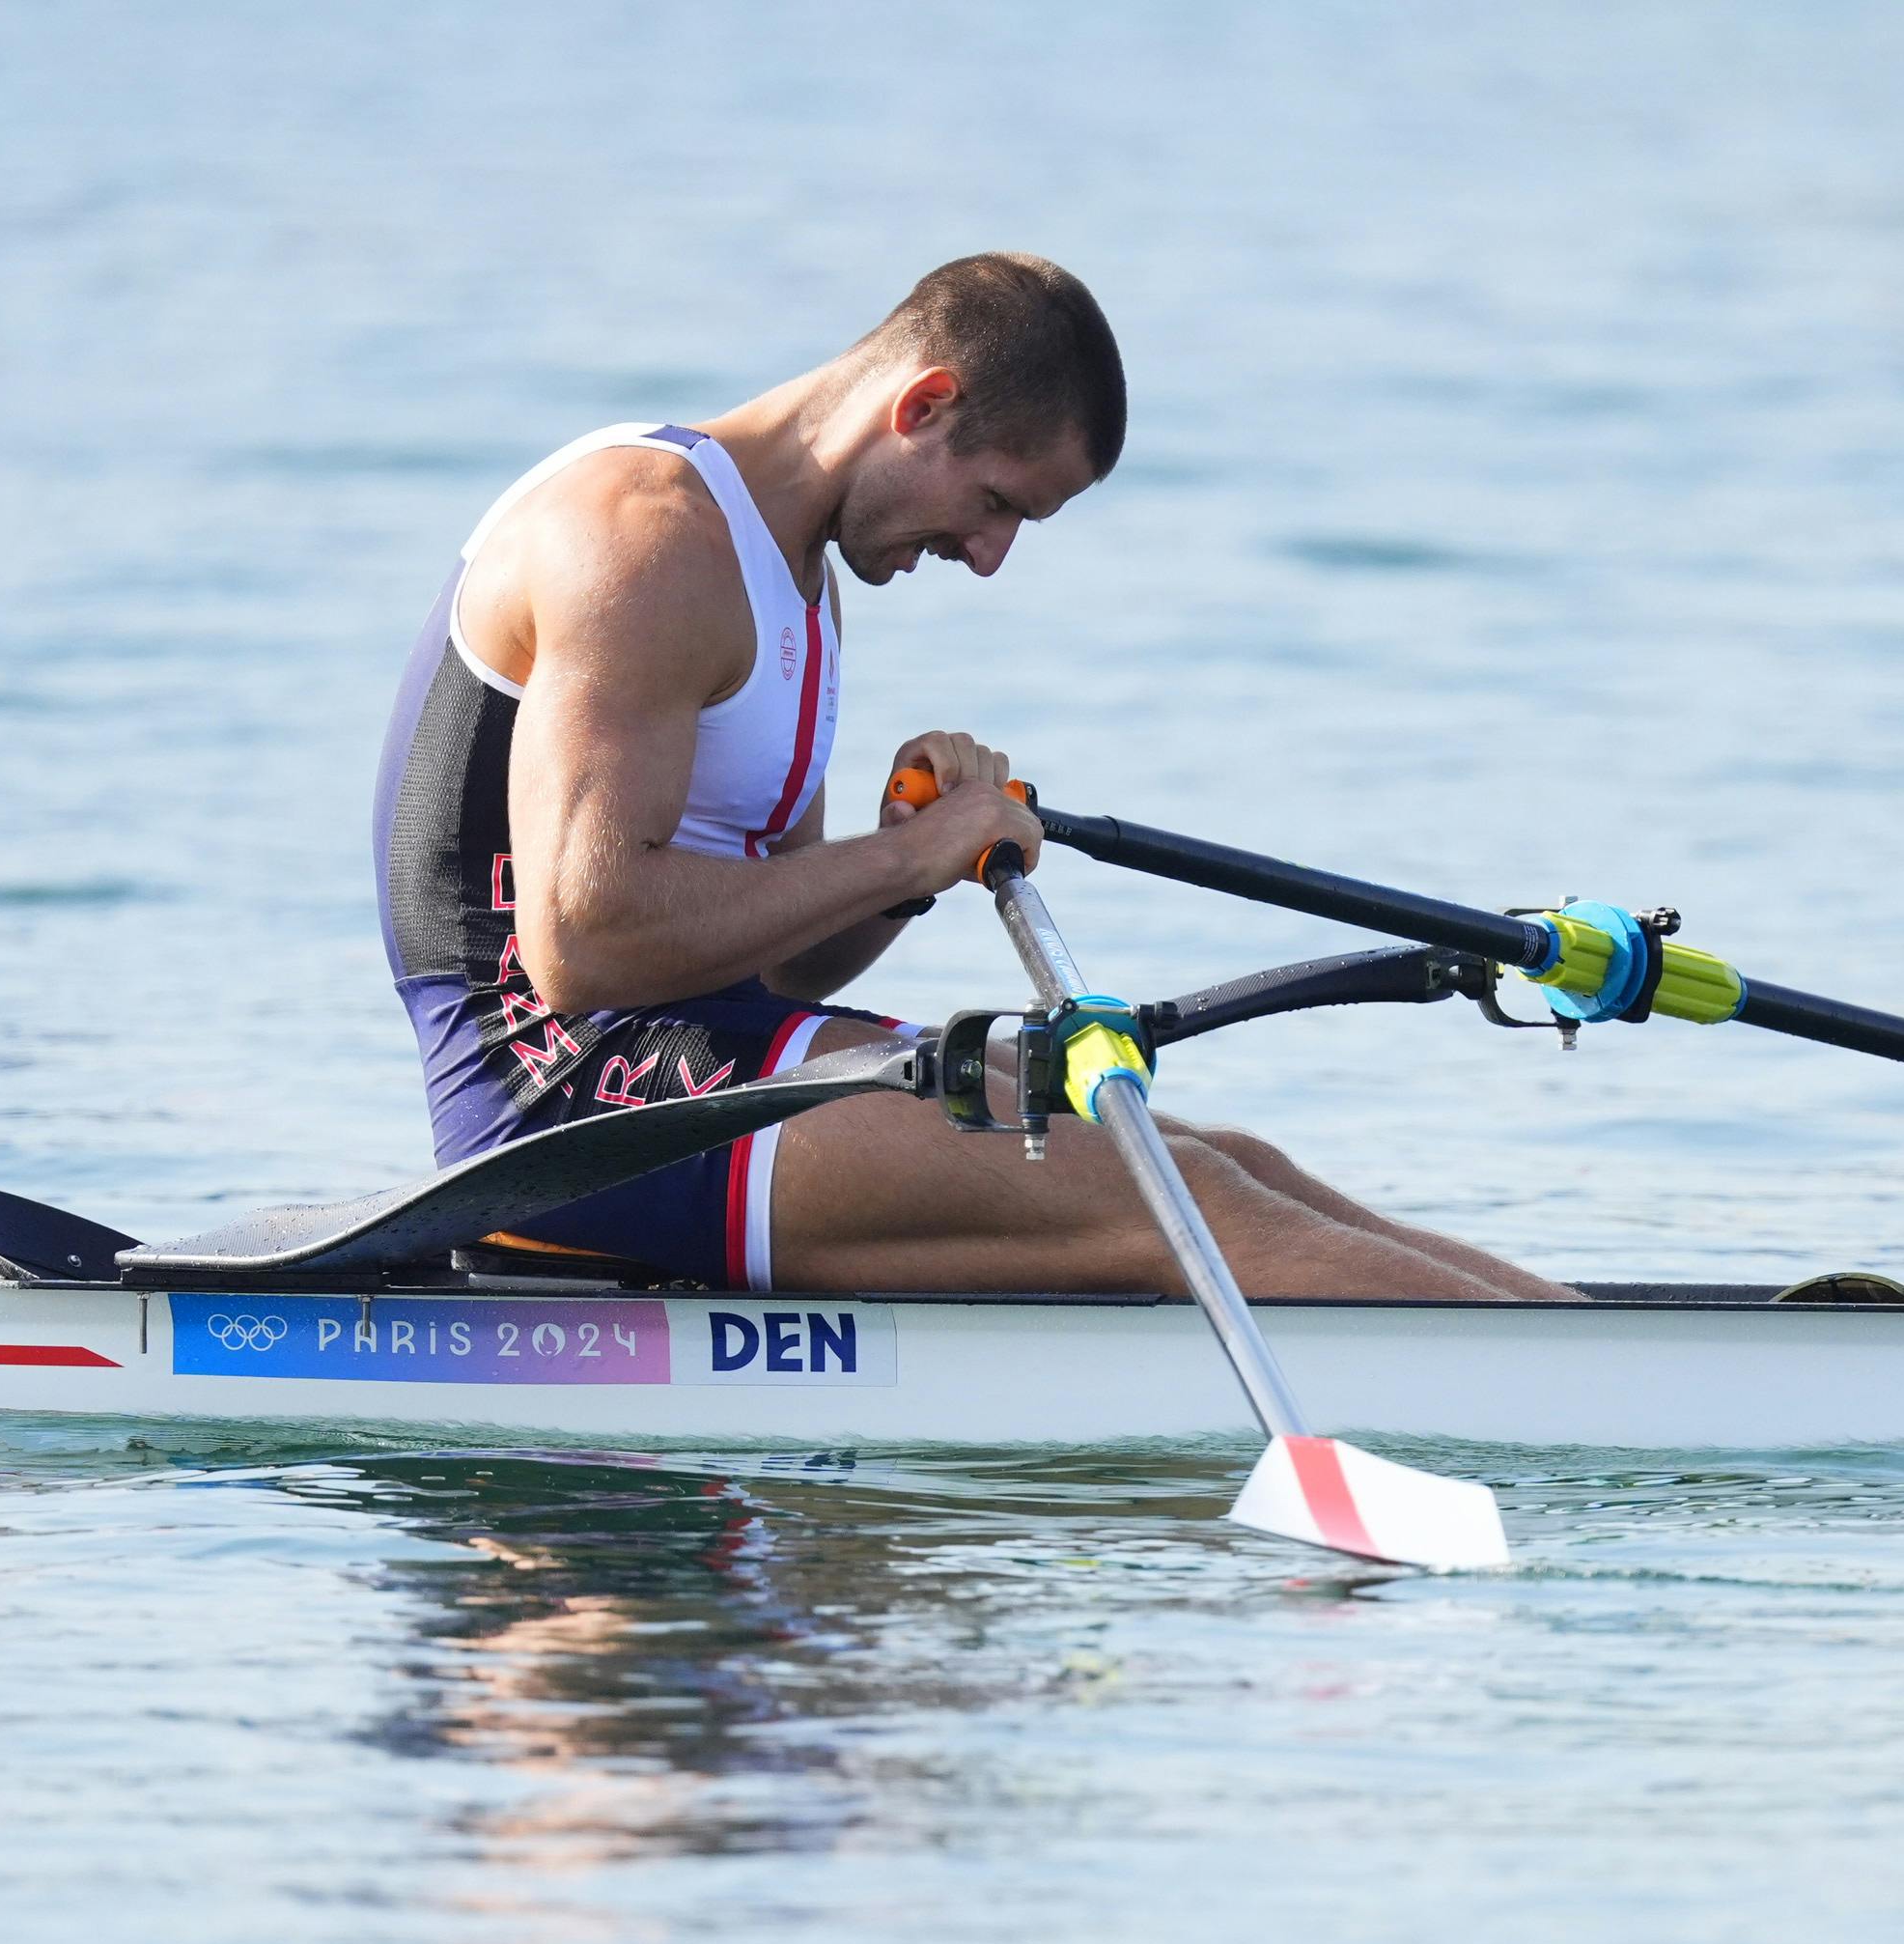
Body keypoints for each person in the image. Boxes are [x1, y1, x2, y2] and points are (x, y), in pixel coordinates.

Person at [372, 253, 1568, 1303]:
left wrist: (902, 861)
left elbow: (774, 968)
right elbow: (584, 945)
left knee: (1223, 1161)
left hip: (690, 1054)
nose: (988, 559)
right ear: (925, 403)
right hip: (559, 1111)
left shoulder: (795, 575)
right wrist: (903, 857)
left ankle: (1593, 1345)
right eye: (995, 503)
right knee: (1174, 1204)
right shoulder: (643, 533)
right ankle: (1614, 1392)